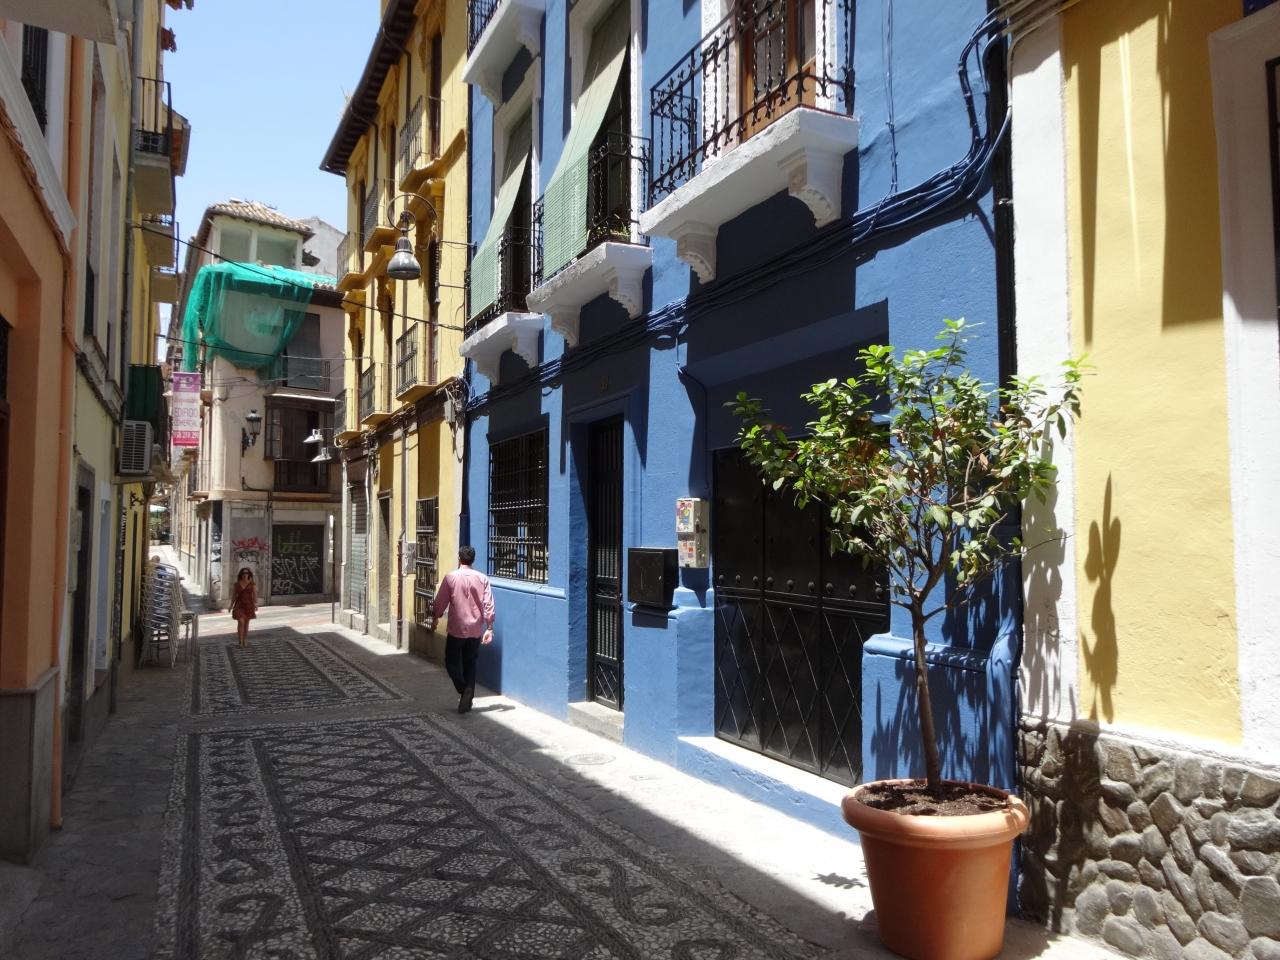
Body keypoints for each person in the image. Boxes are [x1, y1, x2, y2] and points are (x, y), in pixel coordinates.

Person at [430, 545, 495, 713]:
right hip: (475, 629)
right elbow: (488, 604)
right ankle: (467, 695)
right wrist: (489, 627)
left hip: (457, 629)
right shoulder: (482, 578)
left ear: (459, 559)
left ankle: (464, 689)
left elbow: (441, 601)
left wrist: (435, 617)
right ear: (473, 560)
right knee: (470, 663)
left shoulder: (451, 578)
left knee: (451, 662)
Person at [229, 567, 258, 649]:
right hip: (239, 605)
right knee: (241, 622)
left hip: (249, 605)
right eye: (243, 573)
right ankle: (240, 642)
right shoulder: (237, 584)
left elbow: (255, 595)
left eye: (247, 573)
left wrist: (256, 604)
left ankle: (244, 640)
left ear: (249, 575)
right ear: (241, 575)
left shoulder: (252, 584)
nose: (245, 574)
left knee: (246, 623)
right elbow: (234, 596)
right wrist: (230, 606)